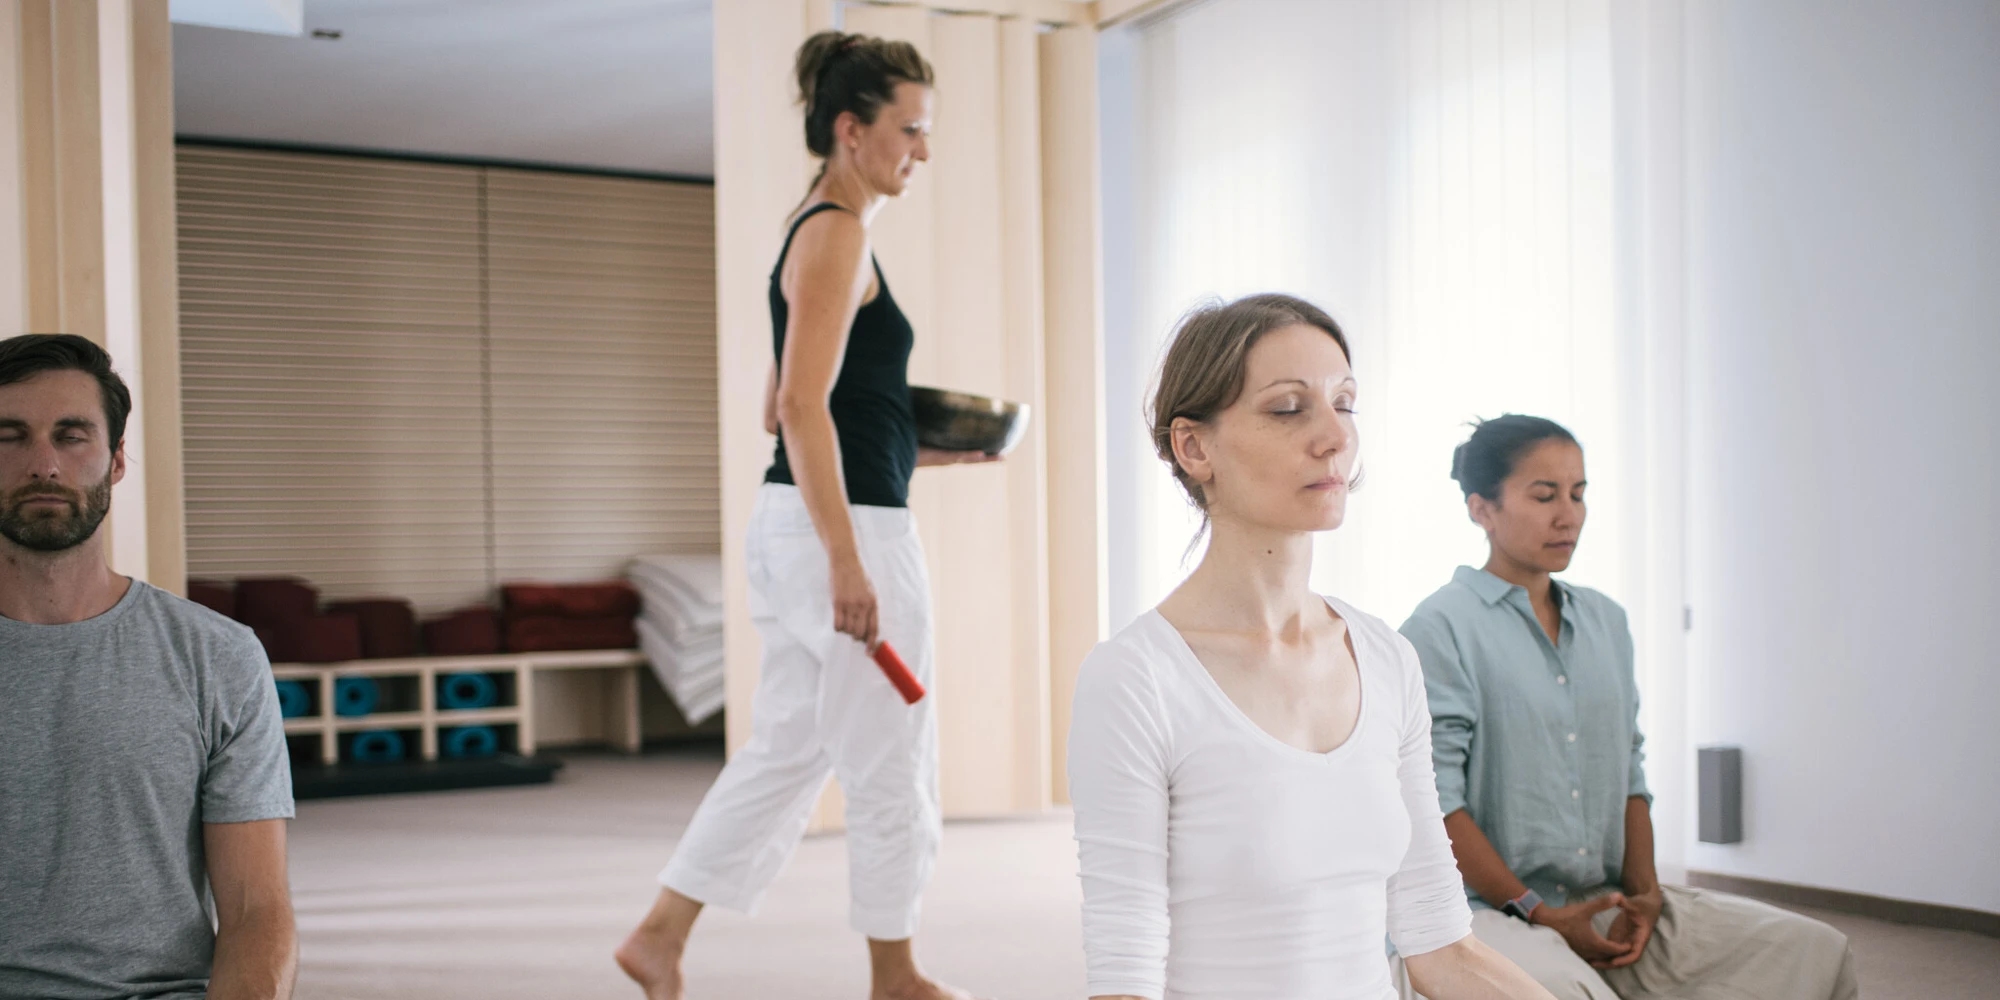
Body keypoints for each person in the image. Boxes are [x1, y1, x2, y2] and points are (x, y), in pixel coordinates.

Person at [615, 31, 997, 1000]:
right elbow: (795, 406)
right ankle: (895, 974)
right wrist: (849, 562)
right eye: (909, 129)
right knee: (894, 752)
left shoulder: (810, 227)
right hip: (843, 533)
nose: (923, 149)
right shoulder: (838, 233)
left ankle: (660, 934)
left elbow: (782, 406)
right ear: (850, 129)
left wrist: (927, 451)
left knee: (789, 747)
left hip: (802, 521)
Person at [1067, 294, 1555, 1000]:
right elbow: (1125, 980)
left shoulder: (1385, 657)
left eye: (1345, 404)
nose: (1334, 437)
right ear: (1194, 447)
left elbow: (1442, 947)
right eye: (1289, 408)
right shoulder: (1135, 679)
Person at [1397, 415, 1858, 1000]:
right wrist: (1538, 911)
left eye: (1578, 493)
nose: (1569, 515)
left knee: (1814, 949)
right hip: (1490, 910)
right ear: (1481, 509)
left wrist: (1646, 897)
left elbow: (1629, 772)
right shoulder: (1438, 628)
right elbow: (1436, 803)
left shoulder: (1606, 621)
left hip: (1601, 897)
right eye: (1544, 495)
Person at [0, 334, 298, 1000]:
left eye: (71, 436)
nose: (44, 464)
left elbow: (256, 912)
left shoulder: (218, 656)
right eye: (9, 437)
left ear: (115, 461)